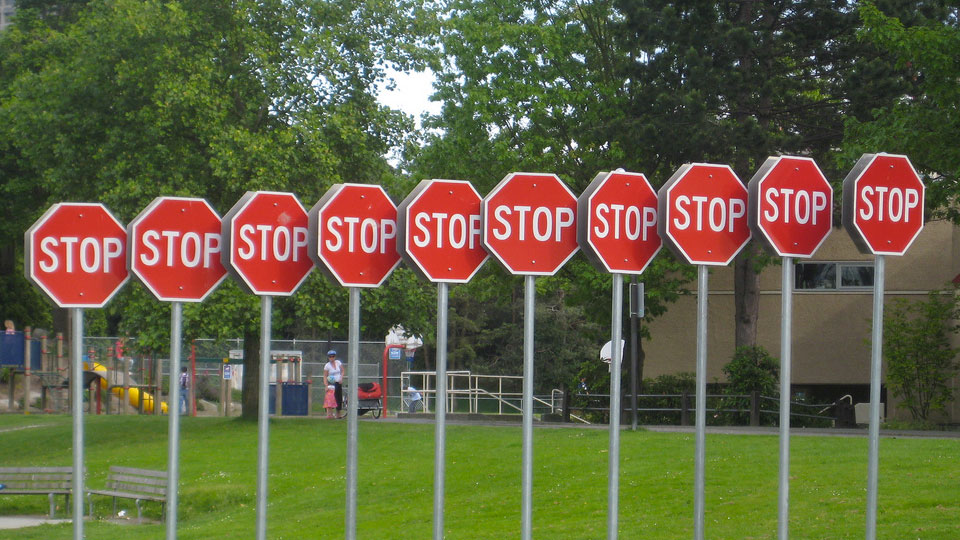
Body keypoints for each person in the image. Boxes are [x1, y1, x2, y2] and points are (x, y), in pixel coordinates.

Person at [323, 350, 344, 418]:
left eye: (333, 356)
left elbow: (343, 370)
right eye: (330, 356)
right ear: (328, 357)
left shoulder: (338, 363)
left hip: (338, 382)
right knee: (331, 398)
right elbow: (325, 376)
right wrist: (326, 385)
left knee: (339, 398)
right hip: (331, 384)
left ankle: (338, 414)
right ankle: (330, 414)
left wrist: (341, 378)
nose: (332, 358)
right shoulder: (327, 366)